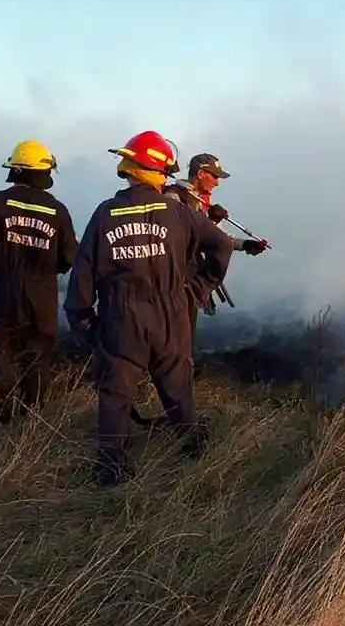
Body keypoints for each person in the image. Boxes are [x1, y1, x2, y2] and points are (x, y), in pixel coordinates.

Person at [63, 131, 235, 487]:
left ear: (128, 167)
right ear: (161, 171)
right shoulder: (178, 212)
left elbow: (81, 279)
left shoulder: (104, 214)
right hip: (172, 315)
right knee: (177, 388)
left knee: (115, 397)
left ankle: (112, 472)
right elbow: (220, 246)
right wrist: (198, 290)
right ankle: (193, 452)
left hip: (121, 319)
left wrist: (87, 329)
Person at [0, 140, 78, 424]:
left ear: (15, 169)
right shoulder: (58, 210)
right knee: (37, 356)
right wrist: (52, 272)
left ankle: (2, 412)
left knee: (1, 351)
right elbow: (70, 256)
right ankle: (32, 417)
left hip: (2, 290)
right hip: (42, 294)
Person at [162, 153, 268, 365]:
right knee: (174, 344)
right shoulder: (173, 197)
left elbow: (219, 238)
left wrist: (247, 245)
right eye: (214, 176)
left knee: (184, 341)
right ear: (200, 174)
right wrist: (209, 219)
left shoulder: (199, 202)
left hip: (187, 281)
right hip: (173, 283)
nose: (217, 182)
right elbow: (172, 232)